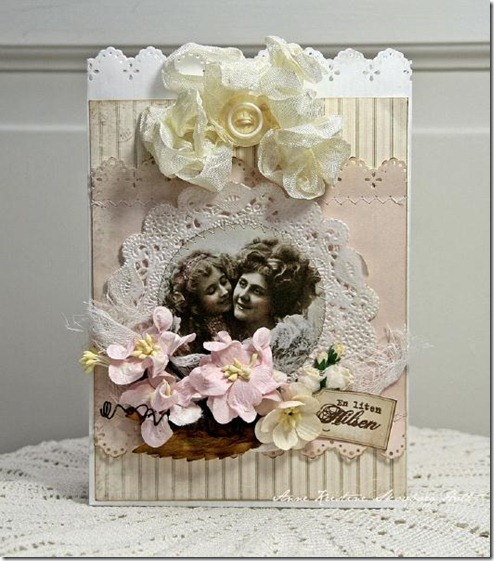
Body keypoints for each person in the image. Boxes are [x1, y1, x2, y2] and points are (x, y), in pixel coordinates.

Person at [232, 238, 321, 373]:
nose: (243, 295)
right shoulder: (225, 327)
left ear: (276, 302)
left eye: (257, 291)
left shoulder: (284, 346)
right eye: (242, 284)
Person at [163, 250, 237, 352]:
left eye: (223, 282)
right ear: (196, 305)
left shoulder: (238, 316)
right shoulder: (195, 336)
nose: (224, 292)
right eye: (211, 291)